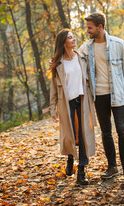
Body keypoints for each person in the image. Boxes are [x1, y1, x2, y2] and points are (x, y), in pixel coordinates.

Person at [78, 12, 124, 181]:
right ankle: (112, 167)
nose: (87, 31)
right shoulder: (86, 47)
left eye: (90, 28)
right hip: (99, 97)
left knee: (123, 131)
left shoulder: (119, 44)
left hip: (119, 95)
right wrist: (56, 62)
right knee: (106, 132)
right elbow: (73, 60)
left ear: (100, 27)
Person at [43, 29, 96, 185]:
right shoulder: (58, 63)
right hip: (66, 103)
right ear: (63, 42)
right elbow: (54, 88)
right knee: (71, 135)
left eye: (74, 37)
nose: (74, 39)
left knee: (84, 135)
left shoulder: (81, 58)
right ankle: (70, 159)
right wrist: (52, 109)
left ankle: (81, 171)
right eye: (70, 38)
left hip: (83, 100)